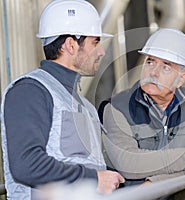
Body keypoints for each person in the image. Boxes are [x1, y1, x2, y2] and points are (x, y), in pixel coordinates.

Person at [0, 0, 124, 199]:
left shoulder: (84, 106)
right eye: (95, 42)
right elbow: (26, 163)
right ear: (71, 45)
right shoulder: (30, 91)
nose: (101, 51)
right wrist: (92, 180)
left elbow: (97, 168)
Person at [98, 28, 185, 198]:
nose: (153, 72)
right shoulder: (116, 108)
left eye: (166, 67)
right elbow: (128, 163)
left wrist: (154, 184)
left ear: (182, 77)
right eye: (150, 62)